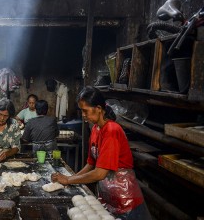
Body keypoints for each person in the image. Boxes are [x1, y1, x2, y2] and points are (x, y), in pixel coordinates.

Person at [51, 86, 151, 220]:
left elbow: (100, 173)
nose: (83, 115)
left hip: (125, 200)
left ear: (98, 108)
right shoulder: (96, 129)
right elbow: (90, 164)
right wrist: (70, 180)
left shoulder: (111, 130)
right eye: (81, 111)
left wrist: (69, 179)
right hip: (109, 197)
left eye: (85, 111)